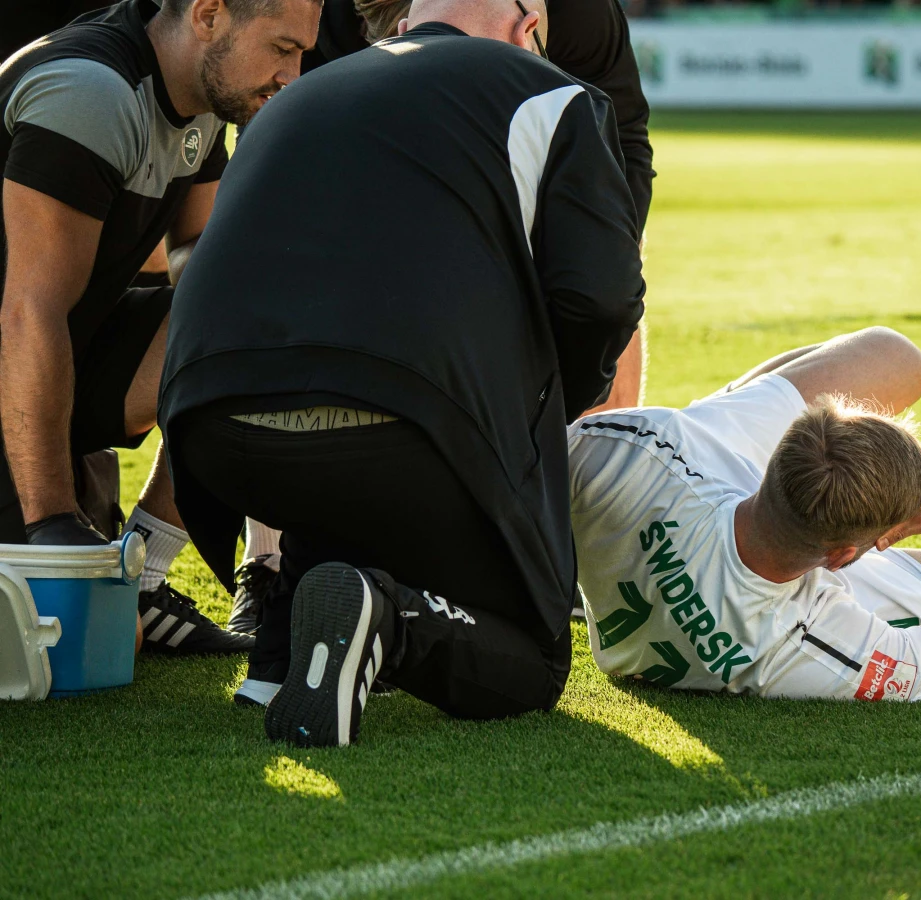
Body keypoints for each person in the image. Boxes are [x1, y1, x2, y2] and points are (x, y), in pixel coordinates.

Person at [159, 0, 646, 743]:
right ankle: (383, 616)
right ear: (528, 30)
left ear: (402, 25)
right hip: (389, 431)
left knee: (341, 455)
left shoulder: (295, 94)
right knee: (533, 661)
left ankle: (282, 645)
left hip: (211, 434)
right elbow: (601, 297)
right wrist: (549, 409)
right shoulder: (552, 92)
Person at [0, 0, 320, 654]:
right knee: (54, 642)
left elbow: (199, 258)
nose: (292, 76)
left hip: (53, 354)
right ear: (208, 14)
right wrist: (52, 524)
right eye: (282, 49)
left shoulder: (204, 95)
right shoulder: (91, 93)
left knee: (265, 308)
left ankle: (142, 574)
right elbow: (29, 311)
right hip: (21, 346)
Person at [568, 328, 921, 702]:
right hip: (873, 593)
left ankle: (744, 415)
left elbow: (549, 456)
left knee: (898, 359)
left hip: (676, 493)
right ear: (843, 556)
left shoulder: (641, 449)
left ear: (771, 457)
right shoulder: (810, 643)